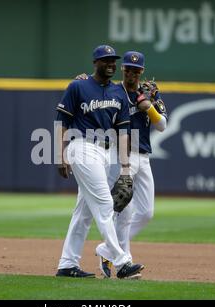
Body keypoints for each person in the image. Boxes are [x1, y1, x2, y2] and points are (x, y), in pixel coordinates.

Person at [74, 51, 168, 279]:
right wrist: (84, 81)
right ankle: (123, 262)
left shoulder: (150, 92)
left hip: (143, 157)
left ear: (141, 72)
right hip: (120, 154)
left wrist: (149, 106)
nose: (132, 74)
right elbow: (94, 89)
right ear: (122, 70)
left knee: (146, 213)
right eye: (128, 69)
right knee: (123, 213)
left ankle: (107, 249)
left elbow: (162, 125)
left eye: (136, 71)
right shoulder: (114, 91)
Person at [55, 45, 145, 279]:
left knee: (83, 213)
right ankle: (122, 261)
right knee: (105, 204)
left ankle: (67, 263)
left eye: (113, 61)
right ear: (95, 63)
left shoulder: (118, 94)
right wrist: (59, 153)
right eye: (105, 60)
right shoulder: (79, 86)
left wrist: (125, 167)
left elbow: (124, 133)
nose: (110, 64)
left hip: (105, 153)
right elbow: (61, 120)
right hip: (82, 147)